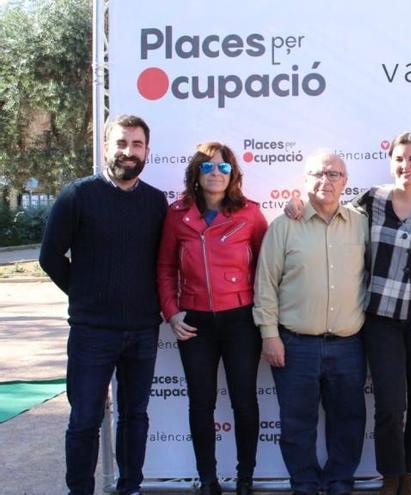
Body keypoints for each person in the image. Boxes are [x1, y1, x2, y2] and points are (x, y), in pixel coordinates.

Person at [287, 132, 411, 495]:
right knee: (389, 405)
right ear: (391, 162)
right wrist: (297, 203)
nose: (406, 166)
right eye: (399, 159)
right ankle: (390, 476)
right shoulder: (372, 200)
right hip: (381, 318)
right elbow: (330, 211)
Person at [39, 114, 168, 495]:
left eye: (137, 145)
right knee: (84, 420)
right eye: (122, 143)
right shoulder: (77, 195)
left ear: (147, 151)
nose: (129, 152)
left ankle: (130, 487)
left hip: (143, 331)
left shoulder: (156, 202)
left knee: (135, 417)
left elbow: (163, 262)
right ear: (105, 147)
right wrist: (84, 295)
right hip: (92, 332)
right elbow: (50, 256)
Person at [253, 151, 369, 495]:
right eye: (319, 173)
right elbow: (266, 284)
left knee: (348, 421)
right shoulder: (284, 225)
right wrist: (269, 335)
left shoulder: (361, 223)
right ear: (305, 180)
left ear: (346, 182)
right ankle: (303, 484)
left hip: (349, 344)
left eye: (335, 174)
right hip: (295, 344)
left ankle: (339, 483)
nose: (327, 180)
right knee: (296, 423)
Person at [156, 142, 268, 495]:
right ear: (196, 173)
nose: (215, 173)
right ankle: (208, 480)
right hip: (196, 324)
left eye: (222, 167)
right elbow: (164, 268)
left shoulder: (250, 214)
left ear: (233, 173)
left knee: (244, 401)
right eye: (207, 167)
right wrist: (172, 314)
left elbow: (269, 268)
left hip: (241, 321)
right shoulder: (177, 215)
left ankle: (246, 478)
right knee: (200, 402)